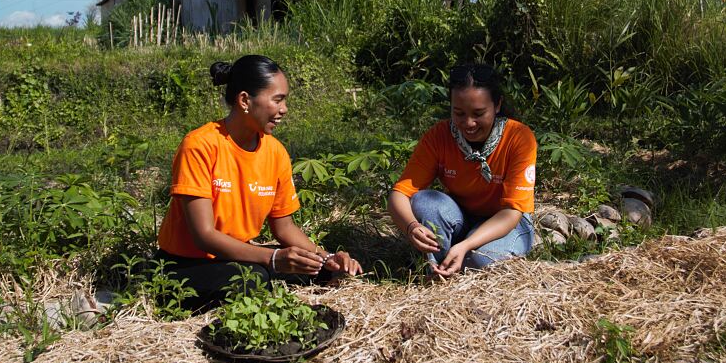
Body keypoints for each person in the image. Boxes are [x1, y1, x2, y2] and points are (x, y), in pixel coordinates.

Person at [156, 54, 362, 310]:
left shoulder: (275, 152)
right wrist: (272, 258)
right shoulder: (200, 146)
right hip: (186, 264)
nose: (284, 109)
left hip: (239, 257)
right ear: (245, 100)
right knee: (255, 278)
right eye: (278, 99)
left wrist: (326, 257)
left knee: (314, 269)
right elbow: (204, 236)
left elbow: (284, 228)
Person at [388, 62, 537, 278]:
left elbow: (511, 213)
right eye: (459, 113)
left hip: (506, 223)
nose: (468, 123)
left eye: (478, 113)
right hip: (462, 218)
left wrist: (466, 245)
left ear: (497, 105)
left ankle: (458, 257)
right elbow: (399, 195)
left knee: (481, 260)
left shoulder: (519, 138)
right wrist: (411, 227)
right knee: (425, 202)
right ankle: (436, 268)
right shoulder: (439, 137)